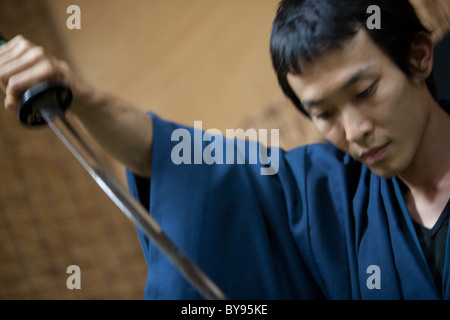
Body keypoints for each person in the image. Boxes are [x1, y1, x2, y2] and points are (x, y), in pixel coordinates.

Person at [1, 0, 449, 299]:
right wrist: (78, 93)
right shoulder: (333, 196)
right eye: (325, 114)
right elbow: (187, 165)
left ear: (419, 56)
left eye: (365, 91)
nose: (355, 130)